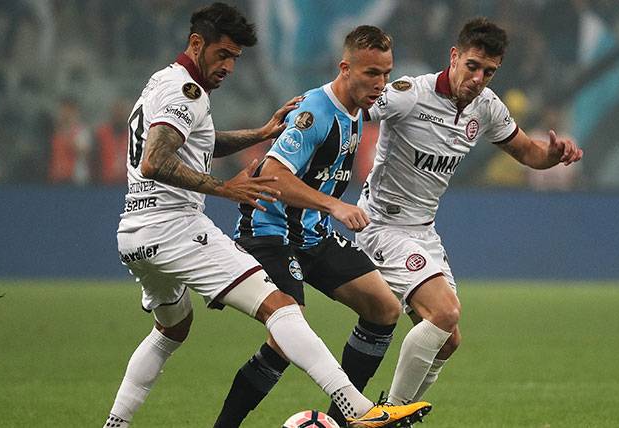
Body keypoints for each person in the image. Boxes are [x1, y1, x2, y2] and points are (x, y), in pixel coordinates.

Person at [103, 4, 430, 428]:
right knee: (281, 311)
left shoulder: (162, 83)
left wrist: (257, 134)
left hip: (135, 233)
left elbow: (196, 143)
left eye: (235, 58)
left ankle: (115, 424)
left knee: (172, 330)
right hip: (178, 228)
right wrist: (225, 188)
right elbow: (154, 160)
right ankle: (360, 410)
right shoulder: (187, 92)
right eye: (223, 55)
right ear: (196, 44)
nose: (229, 67)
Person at [354, 17, 583, 407]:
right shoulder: (411, 94)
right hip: (382, 225)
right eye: (472, 66)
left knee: (448, 341)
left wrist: (553, 156)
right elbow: (350, 109)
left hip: (423, 230)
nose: (478, 78)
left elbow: (528, 152)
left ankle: (394, 412)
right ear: (454, 56)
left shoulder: (487, 107)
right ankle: (390, 413)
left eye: (489, 71)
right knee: (444, 314)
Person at [213, 25, 422, 428]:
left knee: (383, 308)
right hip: (270, 232)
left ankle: (346, 421)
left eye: (386, 73)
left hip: (312, 235)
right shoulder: (317, 113)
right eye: (371, 74)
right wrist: (334, 206)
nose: (380, 84)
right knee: (287, 336)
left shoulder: (357, 109)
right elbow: (272, 174)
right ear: (345, 68)